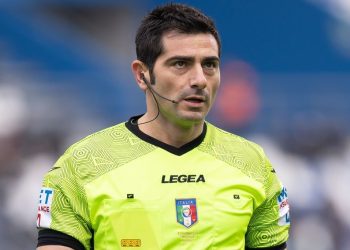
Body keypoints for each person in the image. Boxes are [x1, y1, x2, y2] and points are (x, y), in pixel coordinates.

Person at [36, 3, 290, 250]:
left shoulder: (252, 163)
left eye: (209, 65)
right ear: (142, 75)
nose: (199, 80)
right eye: (180, 64)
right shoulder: (82, 164)